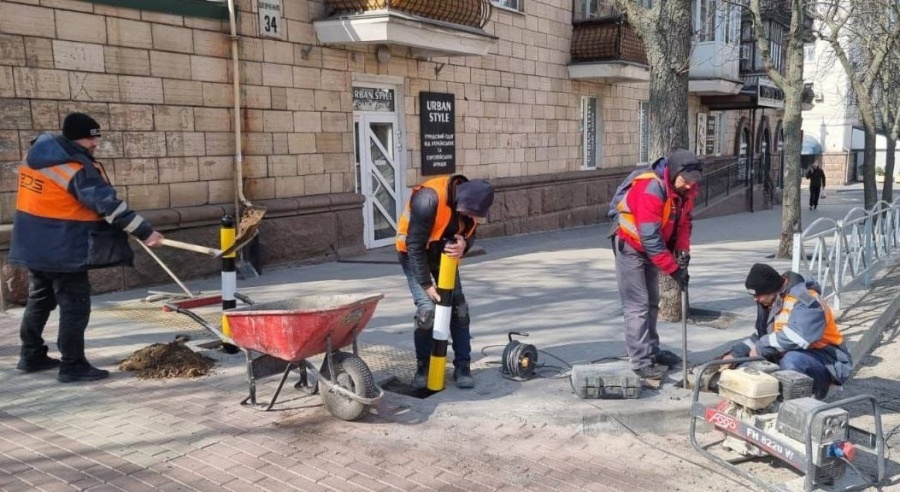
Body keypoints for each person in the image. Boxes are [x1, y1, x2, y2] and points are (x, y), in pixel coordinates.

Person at [10, 112, 164, 383]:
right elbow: (107, 205)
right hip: (63, 248)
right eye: (89, 139)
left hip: (33, 244)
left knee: (40, 299)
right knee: (75, 306)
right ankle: (73, 365)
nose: (95, 144)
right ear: (73, 138)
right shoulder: (73, 168)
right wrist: (145, 231)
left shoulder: (36, 157)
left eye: (96, 138)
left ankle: (31, 355)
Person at [610, 149, 702, 379]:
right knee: (637, 305)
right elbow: (650, 238)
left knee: (652, 301)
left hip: (650, 248)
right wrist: (674, 270)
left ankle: (652, 351)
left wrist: (682, 251)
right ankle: (640, 361)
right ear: (674, 173)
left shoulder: (685, 190)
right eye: (685, 180)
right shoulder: (650, 189)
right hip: (630, 246)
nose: (689, 185)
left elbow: (684, 223)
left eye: (693, 181)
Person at [396, 175, 495, 390]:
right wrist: (426, 284)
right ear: (463, 201)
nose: (471, 217)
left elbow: (469, 234)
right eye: (469, 213)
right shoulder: (428, 199)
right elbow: (414, 245)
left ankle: (463, 367)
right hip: (414, 255)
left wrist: (464, 245)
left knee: (459, 309)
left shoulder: (473, 202)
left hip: (444, 257)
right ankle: (424, 368)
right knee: (428, 311)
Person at [726, 263, 852, 400]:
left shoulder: (805, 299)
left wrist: (762, 346)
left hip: (827, 360)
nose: (755, 299)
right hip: (791, 354)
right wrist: (735, 354)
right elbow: (763, 336)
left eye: (758, 295)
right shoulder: (772, 301)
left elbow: (800, 336)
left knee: (792, 361)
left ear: (771, 289)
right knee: (743, 369)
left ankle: (802, 402)